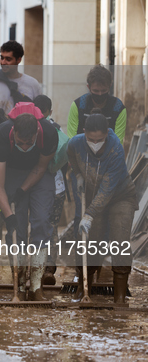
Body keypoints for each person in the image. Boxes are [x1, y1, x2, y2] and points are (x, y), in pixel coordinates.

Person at [68, 110, 137, 304]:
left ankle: (120, 296)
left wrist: (89, 215)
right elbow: (71, 156)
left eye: (99, 140)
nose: (95, 144)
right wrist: (78, 174)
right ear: (84, 133)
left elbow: (107, 189)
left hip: (120, 196)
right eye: (91, 139)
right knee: (91, 241)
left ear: (107, 133)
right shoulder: (76, 143)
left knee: (120, 241)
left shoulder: (115, 149)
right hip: (93, 196)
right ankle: (84, 287)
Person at [0, 102, 58, 301]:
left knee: (42, 221)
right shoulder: (2, 136)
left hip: (39, 174)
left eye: (30, 143)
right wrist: (8, 215)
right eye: (21, 142)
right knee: (16, 227)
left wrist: (23, 189)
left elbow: (40, 168)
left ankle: (36, 286)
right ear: (14, 132)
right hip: (10, 173)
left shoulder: (48, 133)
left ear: (37, 133)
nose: (25, 146)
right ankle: (18, 283)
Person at [33, 95, 68, 285]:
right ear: (50, 112)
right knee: (52, 228)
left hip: (38, 187)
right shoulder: (57, 129)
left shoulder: (31, 127)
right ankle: (48, 268)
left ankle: (37, 268)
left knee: (37, 226)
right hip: (57, 186)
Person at [0, 41, 42, 113]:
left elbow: (39, 113)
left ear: (18, 60)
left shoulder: (32, 84)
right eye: (2, 58)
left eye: (8, 59)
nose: (3, 62)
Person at [67, 65, 126, 144]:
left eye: (103, 90)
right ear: (89, 87)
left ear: (110, 86)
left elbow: (118, 143)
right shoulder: (78, 106)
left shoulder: (118, 109)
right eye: (96, 91)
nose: (100, 94)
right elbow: (71, 140)